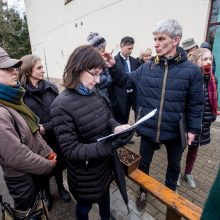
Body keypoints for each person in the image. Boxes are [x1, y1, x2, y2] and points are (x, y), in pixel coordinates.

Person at [104, 19, 204, 211]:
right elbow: (125, 81)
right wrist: (113, 66)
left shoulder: (191, 71)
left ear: (175, 40)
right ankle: (143, 190)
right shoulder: (147, 67)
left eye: (161, 38)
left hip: (176, 130)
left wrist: (192, 129)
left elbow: (196, 103)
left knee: (174, 168)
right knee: (144, 163)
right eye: (154, 38)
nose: (155, 43)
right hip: (149, 128)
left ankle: (170, 197)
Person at [50, 45, 131, 220]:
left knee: (105, 199)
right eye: (94, 73)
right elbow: (70, 150)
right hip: (85, 176)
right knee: (84, 208)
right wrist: (108, 147)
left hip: (104, 168)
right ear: (78, 68)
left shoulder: (93, 92)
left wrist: (116, 127)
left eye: (100, 73)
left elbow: (108, 116)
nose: (99, 80)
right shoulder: (60, 106)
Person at [0, 47, 56, 211]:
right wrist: (47, 165)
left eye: (14, 67)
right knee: (30, 212)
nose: (14, 72)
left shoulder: (13, 98)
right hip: (22, 179)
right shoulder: (3, 110)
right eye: (6, 68)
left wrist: (48, 151)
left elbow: (33, 132)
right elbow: (17, 156)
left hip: (33, 169)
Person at [18, 54, 71, 210]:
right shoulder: (21, 95)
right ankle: (46, 192)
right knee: (43, 168)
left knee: (59, 164)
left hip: (55, 136)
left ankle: (61, 187)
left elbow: (62, 115)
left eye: (42, 67)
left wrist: (45, 127)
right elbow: (22, 121)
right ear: (28, 71)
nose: (43, 70)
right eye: (39, 67)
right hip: (37, 141)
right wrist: (35, 128)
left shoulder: (51, 88)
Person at [177, 48, 217, 189]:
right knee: (180, 149)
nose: (208, 62)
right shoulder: (190, 76)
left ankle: (188, 173)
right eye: (205, 59)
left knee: (193, 151)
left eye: (210, 59)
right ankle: (176, 173)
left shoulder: (213, 78)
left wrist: (211, 115)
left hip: (203, 122)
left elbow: (211, 100)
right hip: (188, 121)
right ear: (195, 61)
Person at [110, 36, 139, 124]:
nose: (131, 51)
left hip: (133, 95)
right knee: (120, 120)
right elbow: (111, 82)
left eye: (132, 48)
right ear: (121, 46)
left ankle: (127, 136)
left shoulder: (134, 61)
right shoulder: (113, 61)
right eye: (129, 48)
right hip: (119, 97)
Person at [87, 32, 112, 98]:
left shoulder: (103, 59)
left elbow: (109, 79)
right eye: (102, 47)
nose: (104, 49)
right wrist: (104, 78)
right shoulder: (89, 61)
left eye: (104, 47)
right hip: (95, 95)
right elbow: (93, 81)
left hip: (106, 94)